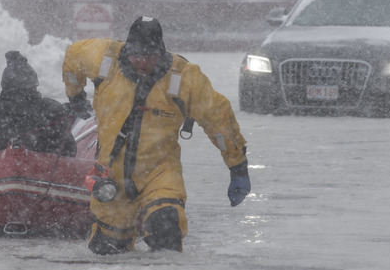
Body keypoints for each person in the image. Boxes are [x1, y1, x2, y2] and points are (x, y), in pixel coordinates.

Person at [62, 16, 251, 254]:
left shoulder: (184, 78)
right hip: (112, 174)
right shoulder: (103, 58)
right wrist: (75, 94)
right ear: (126, 49)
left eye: (149, 56)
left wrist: (238, 167)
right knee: (108, 248)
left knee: (167, 228)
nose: (142, 62)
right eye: (136, 55)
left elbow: (219, 120)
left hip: (160, 171)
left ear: (161, 52)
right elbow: (72, 58)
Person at [0, 50, 77, 157]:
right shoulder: (50, 110)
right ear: (34, 85)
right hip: (40, 178)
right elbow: (70, 152)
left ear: (4, 85)